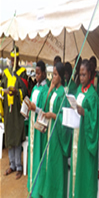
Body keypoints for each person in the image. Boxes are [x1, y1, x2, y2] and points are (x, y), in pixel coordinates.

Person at [38, 62, 72, 198]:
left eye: (56, 75)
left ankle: (56, 194)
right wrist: (50, 89)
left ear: (62, 76)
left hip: (58, 136)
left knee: (56, 166)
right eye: (53, 74)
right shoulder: (54, 92)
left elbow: (65, 116)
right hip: (50, 134)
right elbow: (47, 106)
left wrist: (53, 116)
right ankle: (48, 193)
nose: (53, 77)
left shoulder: (64, 93)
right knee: (49, 165)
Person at [72, 59, 99, 198]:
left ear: (90, 74)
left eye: (84, 74)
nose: (81, 77)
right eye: (80, 74)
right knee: (76, 172)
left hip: (86, 140)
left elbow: (95, 122)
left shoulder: (93, 96)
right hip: (77, 137)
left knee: (86, 173)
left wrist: (85, 113)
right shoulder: (79, 89)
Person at [0, 46, 28, 180]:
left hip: (17, 109)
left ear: (18, 59)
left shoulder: (22, 72)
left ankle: (19, 166)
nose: (13, 61)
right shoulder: (5, 72)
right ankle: (12, 164)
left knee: (17, 136)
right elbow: (1, 87)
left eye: (15, 59)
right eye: (11, 59)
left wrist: (17, 93)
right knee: (10, 136)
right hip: (7, 109)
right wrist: (3, 91)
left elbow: (26, 89)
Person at [26, 61, 49, 197]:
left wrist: (36, 109)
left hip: (40, 128)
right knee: (32, 155)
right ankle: (31, 186)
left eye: (39, 73)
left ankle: (38, 189)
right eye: (36, 73)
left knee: (39, 156)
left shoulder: (46, 90)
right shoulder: (35, 88)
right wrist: (28, 108)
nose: (37, 76)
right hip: (32, 127)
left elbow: (45, 111)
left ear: (45, 73)